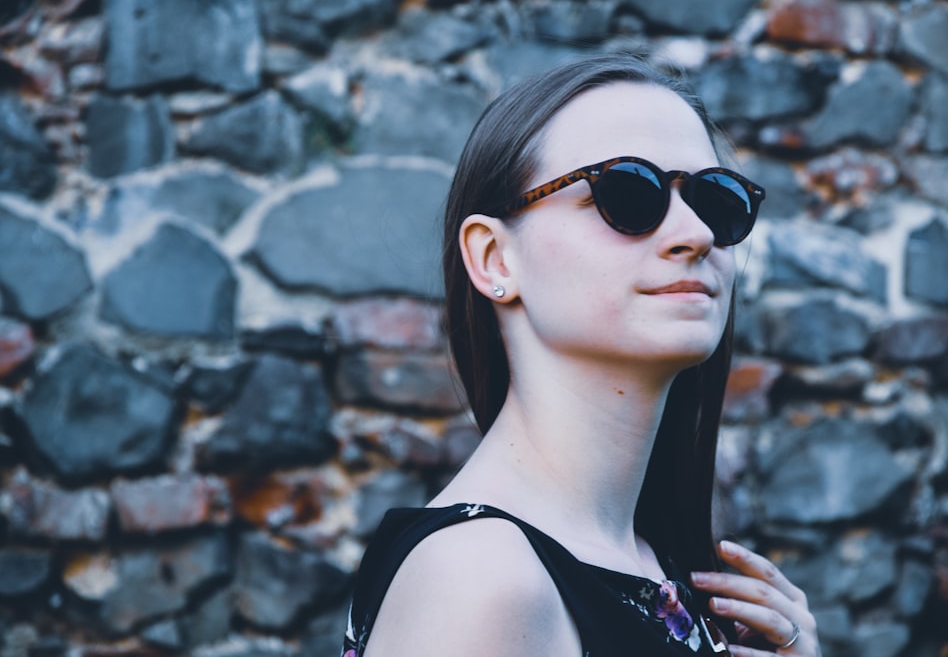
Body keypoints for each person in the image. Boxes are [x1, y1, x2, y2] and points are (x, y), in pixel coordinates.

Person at [341, 53, 820, 656]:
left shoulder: (646, 564)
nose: (696, 233)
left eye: (715, 199)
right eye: (628, 191)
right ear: (494, 258)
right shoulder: (481, 580)